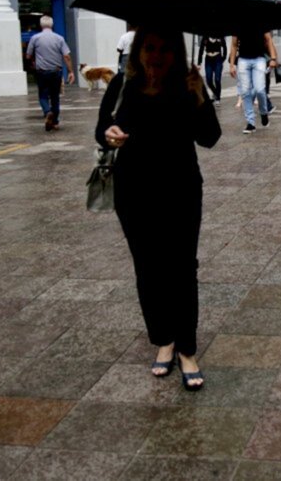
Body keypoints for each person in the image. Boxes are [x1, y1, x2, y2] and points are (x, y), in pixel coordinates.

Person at [95, 27, 220, 392]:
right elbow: (102, 127)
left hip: (181, 189)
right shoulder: (122, 84)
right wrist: (110, 134)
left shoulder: (188, 84)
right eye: (150, 47)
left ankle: (187, 349)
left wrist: (200, 97)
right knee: (148, 267)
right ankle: (163, 339)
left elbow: (210, 138)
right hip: (133, 191)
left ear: (176, 52)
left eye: (165, 49)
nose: (156, 55)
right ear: (138, 51)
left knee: (182, 268)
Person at [26, 15, 75, 130]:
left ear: (41, 25)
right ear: (52, 25)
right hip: (56, 71)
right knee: (55, 97)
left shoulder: (35, 38)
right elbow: (66, 56)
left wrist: (33, 62)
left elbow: (28, 55)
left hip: (42, 72)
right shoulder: (59, 38)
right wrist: (71, 71)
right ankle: (55, 122)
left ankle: (47, 112)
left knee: (43, 95)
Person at [229, 30, 278, 133]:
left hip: (259, 60)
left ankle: (263, 112)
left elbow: (269, 39)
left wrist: (273, 58)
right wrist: (232, 65)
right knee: (245, 92)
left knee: (260, 89)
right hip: (243, 60)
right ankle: (250, 123)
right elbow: (234, 45)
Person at [196, 35, 227, 105]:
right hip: (208, 60)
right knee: (209, 80)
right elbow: (201, 50)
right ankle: (216, 93)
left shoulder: (220, 37)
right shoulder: (205, 37)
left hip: (218, 59)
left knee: (217, 79)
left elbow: (225, 47)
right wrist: (199, 63)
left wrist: (223, 58)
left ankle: (218, 98)